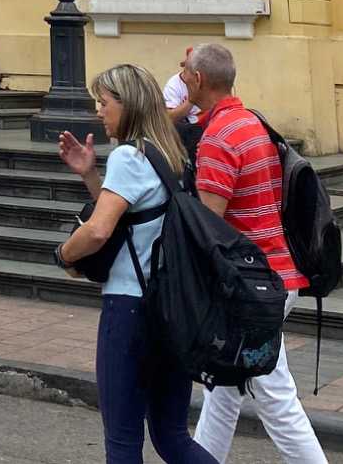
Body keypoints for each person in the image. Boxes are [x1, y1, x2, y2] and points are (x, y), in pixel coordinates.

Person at [53, 63, 216, 464]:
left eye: (104, 102)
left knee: (123, 443)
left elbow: (99, 231)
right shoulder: (170, 154)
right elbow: (136, 218)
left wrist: (62, 254)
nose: (99, 110)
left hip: (129, 310)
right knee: (173, 438)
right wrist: (91, 175)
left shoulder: (128, 156)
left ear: (128, 104)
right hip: (169, 310)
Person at [180, 44, 330, 464]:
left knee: (275, 397)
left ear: (199, 79)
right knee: (224, 387)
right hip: (273, 275)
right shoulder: (251, 123)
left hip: (251, 288)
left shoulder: (217, 138)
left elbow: (210, 229)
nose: (181, 78)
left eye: (185, 71)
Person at [162, 49, 205, 157]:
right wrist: (191, 100)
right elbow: (169, 118)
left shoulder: (208, 80)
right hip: (186, 131)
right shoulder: (174, 84)